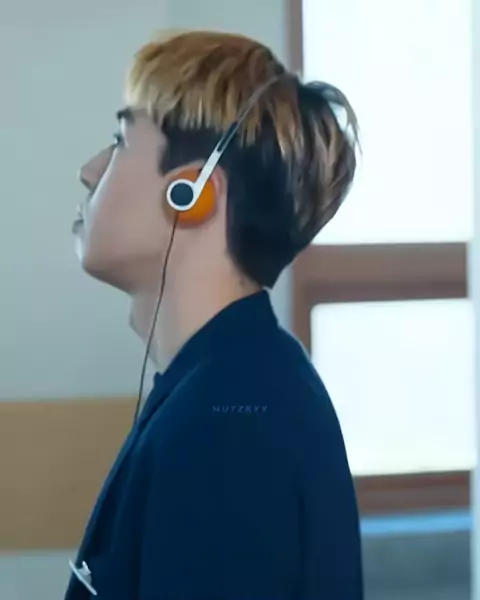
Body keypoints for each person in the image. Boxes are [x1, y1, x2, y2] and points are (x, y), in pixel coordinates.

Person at [66, 29, 363, 600]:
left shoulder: (229, 431)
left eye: (120, 141)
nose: (89, 170)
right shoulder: (227, 387)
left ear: (194, 194)